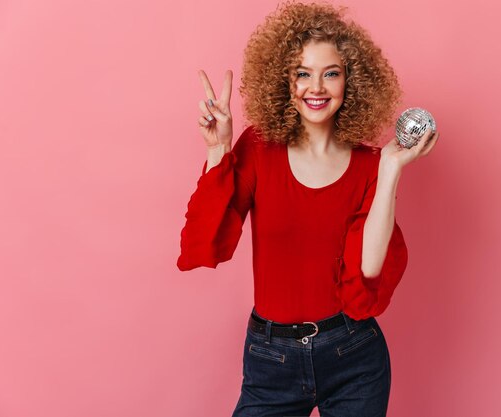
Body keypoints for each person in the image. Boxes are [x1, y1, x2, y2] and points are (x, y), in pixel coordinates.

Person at [177, 2, 439, 416]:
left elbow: (369, 268)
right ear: (285, 80)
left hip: (354, 355)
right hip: (271, 359)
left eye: (330, 73)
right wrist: (216, 151)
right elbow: (204, 243)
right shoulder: (258, 148)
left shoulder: (370, 165)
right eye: (303, 73)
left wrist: (390, 169)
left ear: (350, 80)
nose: (316, 87)